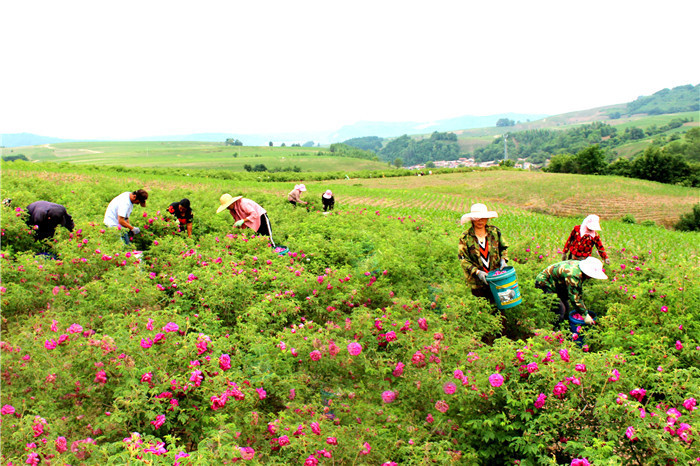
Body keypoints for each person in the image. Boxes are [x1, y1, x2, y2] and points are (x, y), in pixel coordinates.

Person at [535, 257, 608, 327]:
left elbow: (577, 291)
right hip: (544, 282)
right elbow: (574, 297)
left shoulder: (580, 269)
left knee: (566, 306)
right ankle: (555, 331)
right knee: (560, 309)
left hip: (558, 284)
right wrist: (585, 314)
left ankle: (565, 325)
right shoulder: (574, 274)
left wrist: (583, 310)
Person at [458, 203, 508, 301]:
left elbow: (504, 248)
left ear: (487, 219)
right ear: (472, 219)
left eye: (483, 218)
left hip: (496, 278)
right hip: (477, 283)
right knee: (482, 309)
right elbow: (463, 259)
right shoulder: (466, 237)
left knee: (500, 307)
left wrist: (503, 259)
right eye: (477, 218)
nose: (480, 221)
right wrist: (477, 272)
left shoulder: (494, 232)